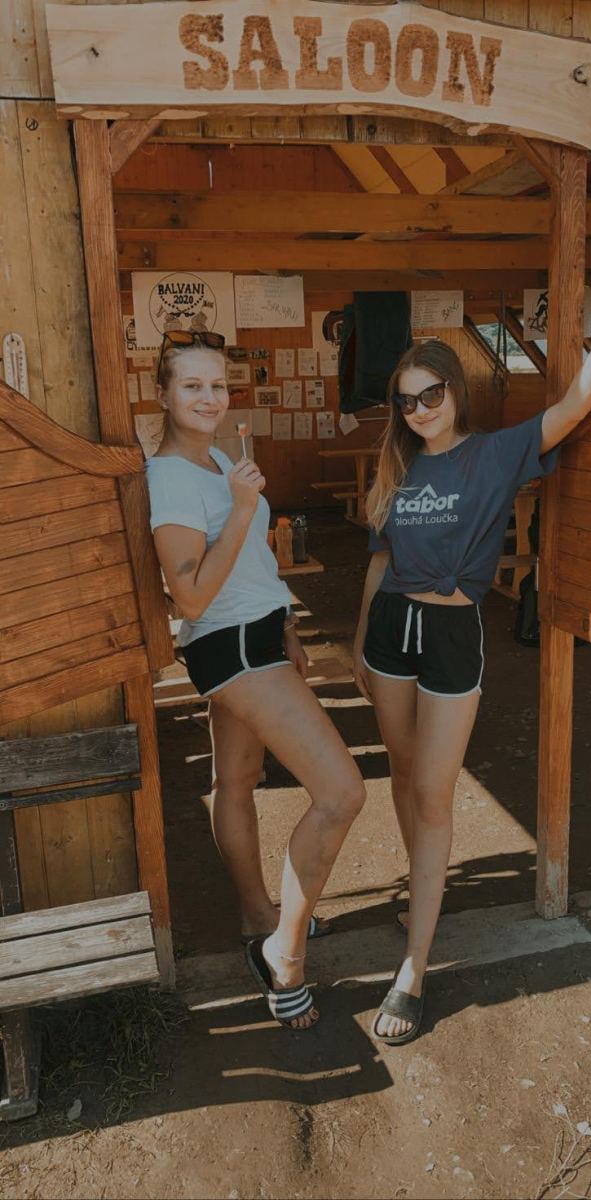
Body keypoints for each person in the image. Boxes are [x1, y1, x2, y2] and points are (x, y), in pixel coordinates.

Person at [353, 285, 591, 1046]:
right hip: (390, 633)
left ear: (454, 392)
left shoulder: (494, 454)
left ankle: (413, 968)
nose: (419, 410)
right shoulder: (397, 467)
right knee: (403, 774)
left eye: (430, 395)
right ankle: (421, 895)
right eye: (406, 401)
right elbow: (379, 562)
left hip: (452, 633)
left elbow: (575, 406)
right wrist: (359, 645)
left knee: (432, 795)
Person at [146, 330, 365, 1030]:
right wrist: (242, 509)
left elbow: (250, 566)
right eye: (192, 386)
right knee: (342, 792)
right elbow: (189, 598)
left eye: (217, 385)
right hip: (230, 645)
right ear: (162, 393)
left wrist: (287, 624)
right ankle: (284, 954)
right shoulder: (169, 478)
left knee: (236, 780)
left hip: (258, 634)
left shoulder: (217, 457)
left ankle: (257, 916)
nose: (209, 397)